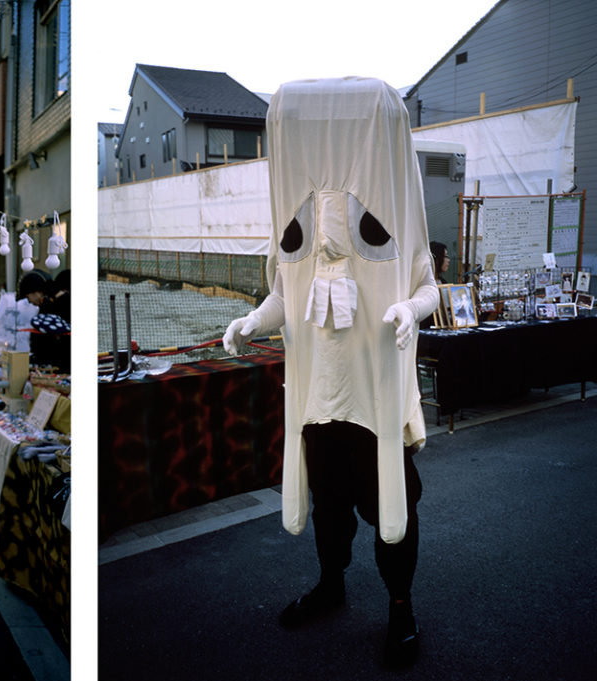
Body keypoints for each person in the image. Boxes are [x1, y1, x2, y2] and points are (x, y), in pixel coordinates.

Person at [223, 78, 439, 668]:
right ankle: (332, 583)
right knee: (330, 504)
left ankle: (400, 604)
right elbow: (284, 295)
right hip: (320, 395)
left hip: (374, 390)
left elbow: (426, 286)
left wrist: (406, 309)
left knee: (394, 501)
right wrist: (252, 321)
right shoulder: (296, 226)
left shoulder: (393, 208)